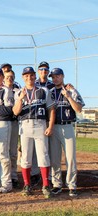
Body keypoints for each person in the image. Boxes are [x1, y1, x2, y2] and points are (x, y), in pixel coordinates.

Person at [13, 66, 55, 199]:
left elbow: (51, 109)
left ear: (34, 76)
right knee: (25, 157)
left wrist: (50, 126)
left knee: (43, 155)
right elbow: (15, 112)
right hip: (25, 125)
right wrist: (20, 98)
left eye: (31, 75)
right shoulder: (19, 92)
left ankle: (46, 185)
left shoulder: (43, 91)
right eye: (26, 75)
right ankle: (27, 184)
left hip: (40, 124)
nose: (29, 77)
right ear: (23, 77)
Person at [48, 68, 85, 197]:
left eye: (57, 76)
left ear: (62, 76)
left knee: (70, 158)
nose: (55, 78)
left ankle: (71, 185)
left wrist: (69, 96)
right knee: (55, 159)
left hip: (68, 127)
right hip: (55, 127)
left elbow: (79, 109)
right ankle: (57, 184)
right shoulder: (50, 92)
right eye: (53, 77)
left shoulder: (71, 90)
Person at [1, 63, 21, 188]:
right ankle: (3, 175)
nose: (10, 79)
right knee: (3, 152)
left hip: (14, 122)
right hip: (3, 123)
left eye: (11, 77)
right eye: (7, 77)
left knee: (13, 152)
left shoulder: (18, 90)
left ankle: (13, 175)